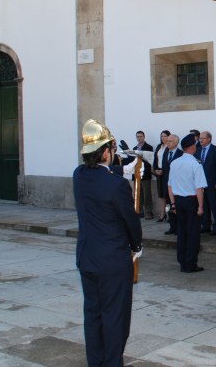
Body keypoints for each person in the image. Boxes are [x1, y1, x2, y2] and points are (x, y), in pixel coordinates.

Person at [73, 119, 142, 367]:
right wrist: (136, 246)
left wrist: (125, 169)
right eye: (111, 150)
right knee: (115, 317)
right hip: (113, 260)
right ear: (105, 152)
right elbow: (131, 221)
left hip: (88, 257)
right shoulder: (117, 186)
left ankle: (96, 361)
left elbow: (101, 174)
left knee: (93, 315)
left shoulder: (79, 175)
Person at [168, 134, 207, 273]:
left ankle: (182, 261)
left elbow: (170, 186)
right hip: (191, 200)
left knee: (182, 232)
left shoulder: (174, 163)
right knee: (193, 233)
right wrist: (201, 207)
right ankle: (190, 263)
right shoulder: (195, 164)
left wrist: (173, 204)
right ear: (192, 147)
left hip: (178, 200)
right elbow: (199, 188)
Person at [196, 131, 216, 235]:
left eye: (203, 138)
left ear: (209, 139)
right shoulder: (198, 151)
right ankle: (206, 225)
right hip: (201, 183)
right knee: (204, 205)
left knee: (214, 206)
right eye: (199, 138)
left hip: (212, 183)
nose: (201, 140)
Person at [161, 134, 181, 235]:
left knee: (176, 207)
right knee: (168, 206)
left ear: (176, 143)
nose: (167, 143)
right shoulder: (166, 152)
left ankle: (178, 227)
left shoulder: (180, 154)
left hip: (176, 185)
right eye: (167, 141)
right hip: (166, 184)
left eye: (170, 141)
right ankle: (172, 226)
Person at [132, 131, 155, 219]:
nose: (139, 138)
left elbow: (149, 160)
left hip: (145, 174)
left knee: (147, 194)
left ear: (144, 137)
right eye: (137, 136)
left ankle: (149, 212)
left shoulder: (149, 147)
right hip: (136, 173)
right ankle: (140, 211)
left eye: (141, 136)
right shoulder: (134, 148)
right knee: (138, 194)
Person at [152, 130, 171, 221]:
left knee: (167, 196)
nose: (163, 138)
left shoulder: (170, 147)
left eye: (165, 136)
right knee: (161, 195)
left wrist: (163, 170)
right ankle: (162, 214)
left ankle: (169, 213)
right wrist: (156, 170)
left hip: (166, 173)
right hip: (159, 172)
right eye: (162, 136)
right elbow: (155, 159)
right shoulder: (159, 147)